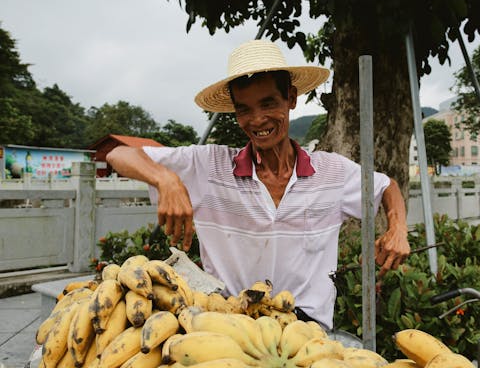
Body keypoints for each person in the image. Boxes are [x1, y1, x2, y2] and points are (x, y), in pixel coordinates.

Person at [106, 39, 410, 330]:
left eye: (268, 103)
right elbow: (118, 154)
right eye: (244, 109)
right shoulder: (209, 166)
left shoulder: (331, 171)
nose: (258, 119)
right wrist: (165, 178)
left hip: (307, 330)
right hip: (228, 324)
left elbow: (386, 186)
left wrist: (397, 229)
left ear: (290, 98)